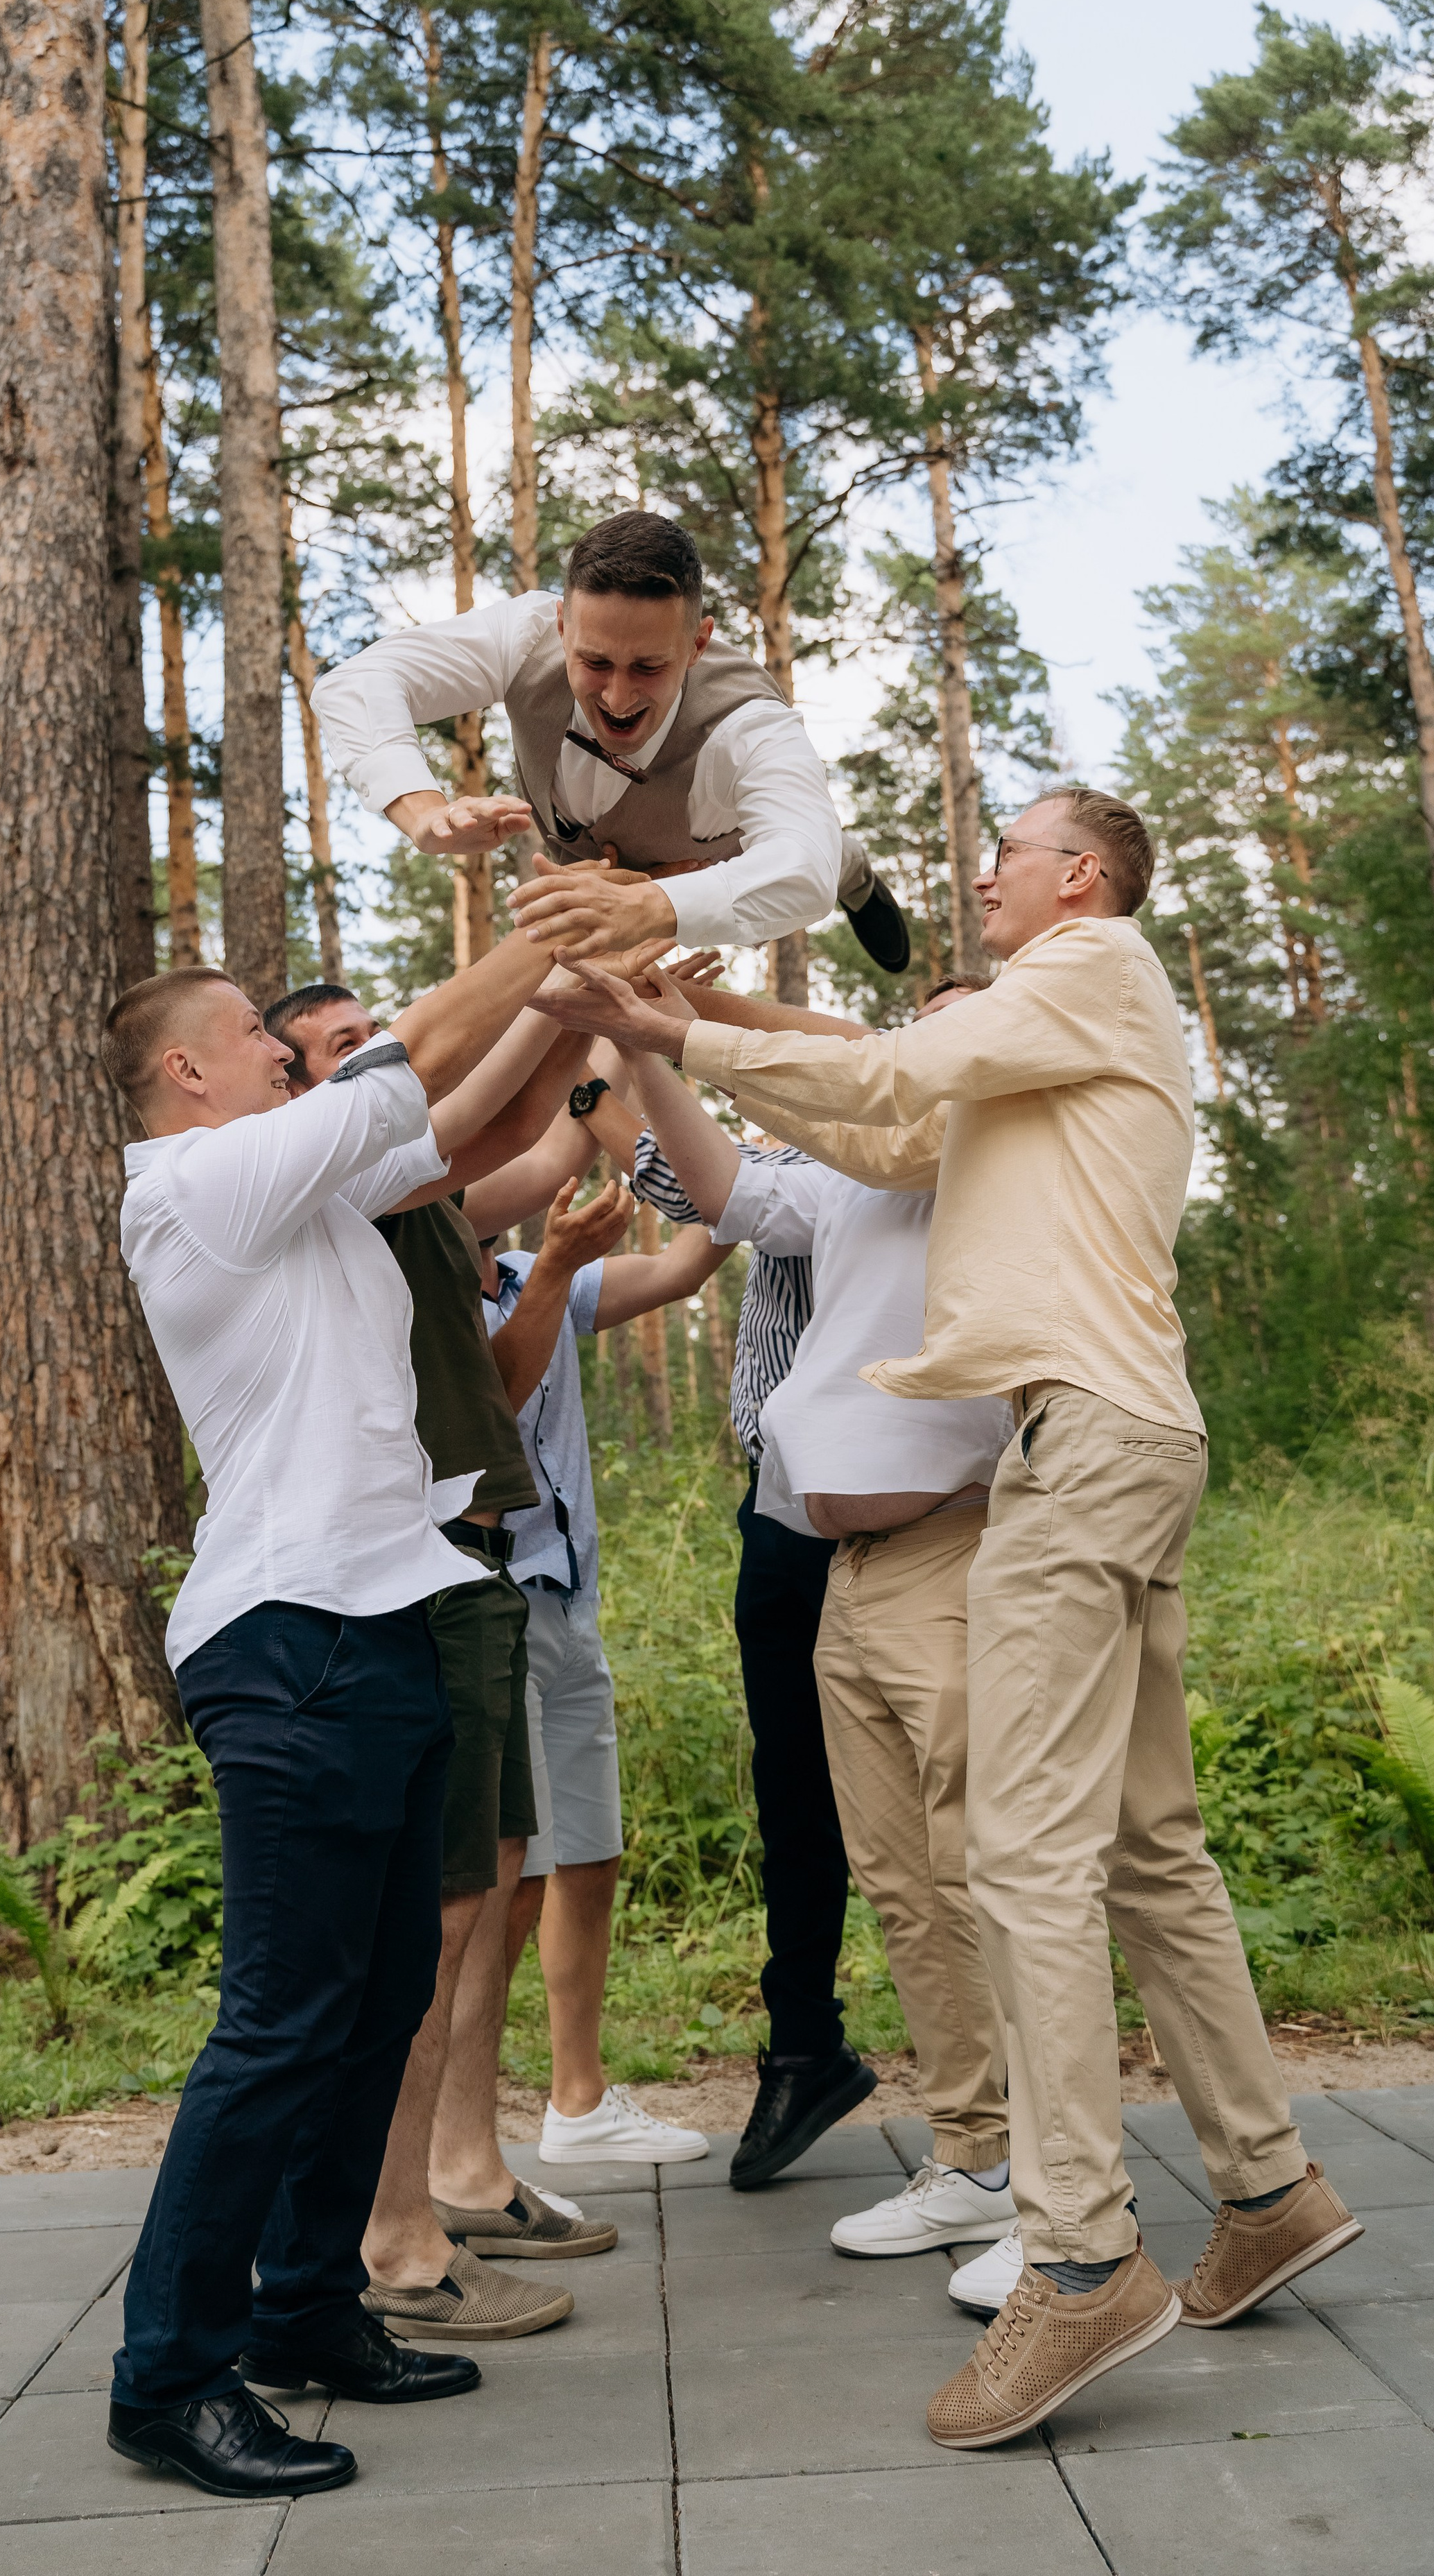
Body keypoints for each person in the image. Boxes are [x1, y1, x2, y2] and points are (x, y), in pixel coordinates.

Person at [553, 788, 1363, 2450]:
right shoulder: (1032, 1052)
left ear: (1078, 874)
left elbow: (895, 1066)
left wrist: (673, 1010)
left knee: (1021, 1854)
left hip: (1079, 1444)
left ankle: (1073, 2260)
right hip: (1112, 1432)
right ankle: (1266, 2183)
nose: (978, 869)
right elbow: (872, 1127)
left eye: (1005, 846)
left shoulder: (1098, 961)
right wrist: (667, 1032)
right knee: (1146, 1845)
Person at [99, 929, 573, 2498]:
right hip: (281, 1633)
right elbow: (395, 1074)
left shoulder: (304, 1194)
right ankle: (169, 2377)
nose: (279, 1051)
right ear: (188, 1069)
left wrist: (565, 1007)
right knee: (279, 2018)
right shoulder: (186, 1188)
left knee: (378, 2002)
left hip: (387, 1611)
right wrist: (533, 941)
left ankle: (308, 2314)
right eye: (254, 1035)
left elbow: (452, 1128)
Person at [626, 1030, 1020, 2292]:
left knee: (983, 1875)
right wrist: (642, 1044)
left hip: (958, 1548)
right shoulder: (850, 1177)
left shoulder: (1005, 1158)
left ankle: (1057, 2189)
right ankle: (973, 2159)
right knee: (901, 1879)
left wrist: (696, 1034)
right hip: (833, 1554)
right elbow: (726, 1192)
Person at [267, 984, 621, 2348]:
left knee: (488, 1890)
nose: (385, 1050)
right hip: (417, 1564)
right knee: (438, 1910)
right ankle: (392, 2236)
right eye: (348, 1040)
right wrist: (561, 985)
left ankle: (459, 2173)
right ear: (306, 1089)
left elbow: (532, 1145)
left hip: (477, 1562)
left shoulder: (415, 1193)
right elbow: (483, 1114)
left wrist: (596, 1047)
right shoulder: (345, 1182)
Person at [623, 996, 885, 2188]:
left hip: (915, 1517)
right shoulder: (801, 1161)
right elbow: (673, 1176)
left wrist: (643, 1026)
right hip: (783, 1517)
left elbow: (677, 1176)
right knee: (795, 1795)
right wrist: (626, 1028)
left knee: (939, 1804)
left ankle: (1004, 2095)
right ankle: (804, 2049)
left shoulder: (904, 1163)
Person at [310, 508, 910, 971]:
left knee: (825, 846)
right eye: (594, 662)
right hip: (581, 860)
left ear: (698, 645)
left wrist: (653, 906)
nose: (618, 700)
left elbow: (800, 870)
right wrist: (423, 812)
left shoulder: (750, 726)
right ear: (563, 624)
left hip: (719, 855)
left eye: (649, 668)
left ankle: (858, 876)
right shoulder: (524, 635)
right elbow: (357, 683)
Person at [477, 1155, 733, 2169]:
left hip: (567, 1596)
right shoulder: (400, 1284)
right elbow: (491, 1397)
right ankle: (464, 2142)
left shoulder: (531, 1270)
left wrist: (745, 1163)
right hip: (483, 1598)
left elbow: (680, 1270)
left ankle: (576, 2103)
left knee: (588, 1853)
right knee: (510, 1882)